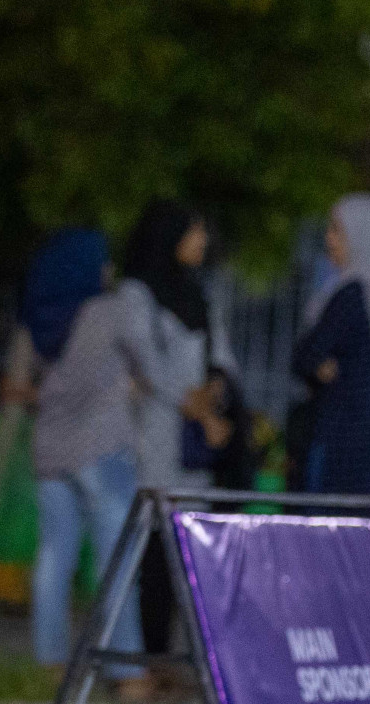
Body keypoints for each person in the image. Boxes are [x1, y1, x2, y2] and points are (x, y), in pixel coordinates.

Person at [26, 229, 151, 699]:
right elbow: (147, 364)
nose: (108, 271)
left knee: (54, 556)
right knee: (115, 560)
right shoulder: (109, 310)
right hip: (101, 449)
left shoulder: (38, 319)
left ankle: (50, 663)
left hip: (49, 451)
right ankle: (125, 672)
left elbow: (24, 384)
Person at [119, 201, 238, 659]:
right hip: (153, 439)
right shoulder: (136, 294)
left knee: (185, 552)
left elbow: (220, 355)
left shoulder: (197, 293)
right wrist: (202, 411)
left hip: (194, 449)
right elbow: (146, 365)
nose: (201, 242)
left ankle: (174, 657)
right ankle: (145, 656)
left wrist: (215, 389)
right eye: (193, 232)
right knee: (151, 550)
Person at [292, 193, 370, 496]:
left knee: (328, 533)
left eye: (337, 230)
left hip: (339, 437)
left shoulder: (351, 294)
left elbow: (304, 356)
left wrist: (322, 365)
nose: (329, 239)